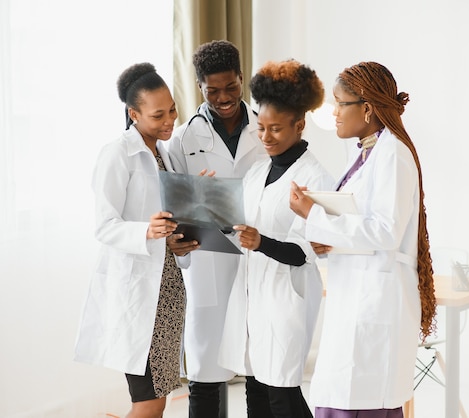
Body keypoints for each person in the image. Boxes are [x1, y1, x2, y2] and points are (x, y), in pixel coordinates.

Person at [289, 61, 438, 418]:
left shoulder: (393, 154)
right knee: (344, 399)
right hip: (357, 298)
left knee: (355, 404)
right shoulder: (366, 153)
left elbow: (385, 231)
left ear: (367, 108)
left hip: (375, 304)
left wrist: (314, 215)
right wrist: (323, 236)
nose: (335, 113)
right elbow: (361, 221)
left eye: (341, 104)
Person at [74, 62, 198, 418]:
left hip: (168, 290)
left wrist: (181, 228)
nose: (170, 120)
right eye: (158, 114)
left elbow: (166, 221)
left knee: (159, 397)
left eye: (172, 109)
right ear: (133, 114)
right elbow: (105, 226)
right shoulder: (117, 154)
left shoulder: (165, 153)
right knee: (149, 400)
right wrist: (147, 229)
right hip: (140, 296)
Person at [218, 59, 334, 418]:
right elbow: (242, 223)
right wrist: (212, 209)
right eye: (262, 128)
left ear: (299, 125)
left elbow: (306, 252)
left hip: (287, 300)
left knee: (282, 395)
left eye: (276, 130)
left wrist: (261, 242)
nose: (266, 138)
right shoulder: (258, 170)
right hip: (254, 299)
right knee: (256, 394)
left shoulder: (315, 178)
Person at [166, 40, 266, 418]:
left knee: (258, 362)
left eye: (231, 87)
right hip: (208, 258)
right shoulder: (183, 139)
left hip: (255, 254)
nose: (223, 97)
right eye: (213, 90)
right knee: (207, 364)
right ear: (199, 87)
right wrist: (180, 231)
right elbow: (173, 201)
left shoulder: (264, 129)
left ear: (242, 79)